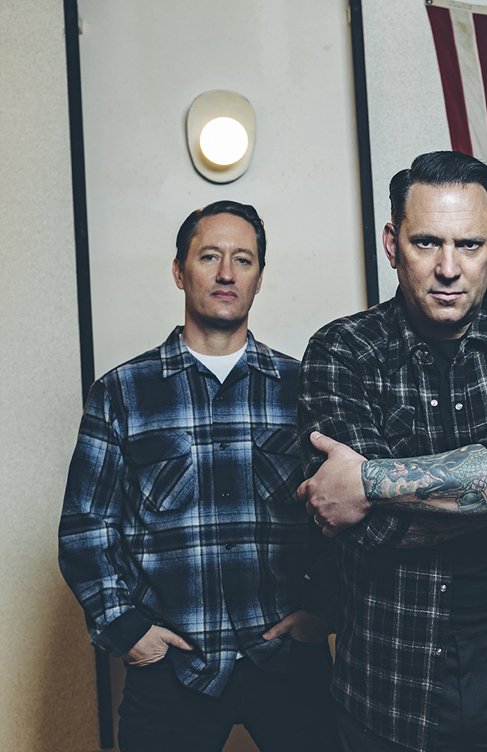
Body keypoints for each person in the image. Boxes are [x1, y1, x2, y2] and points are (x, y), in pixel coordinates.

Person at [297, 150, 487, 752]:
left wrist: (368, 483)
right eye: (426, 243)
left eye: (468, 245)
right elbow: (367, 530)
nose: (448, 268)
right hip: (389, 687)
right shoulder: (341, 350)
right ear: (392, 245)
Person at [58, 201, 335, 752]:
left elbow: (341, 514)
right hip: (172, 666)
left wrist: (325, 609)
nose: (227, 273)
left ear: (259, 277)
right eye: (210, 257)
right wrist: (128, 631)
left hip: (285, 658)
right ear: (179, 271)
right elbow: (85, 527)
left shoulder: (304, 387)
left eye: (243, 260)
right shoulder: (122, 392)